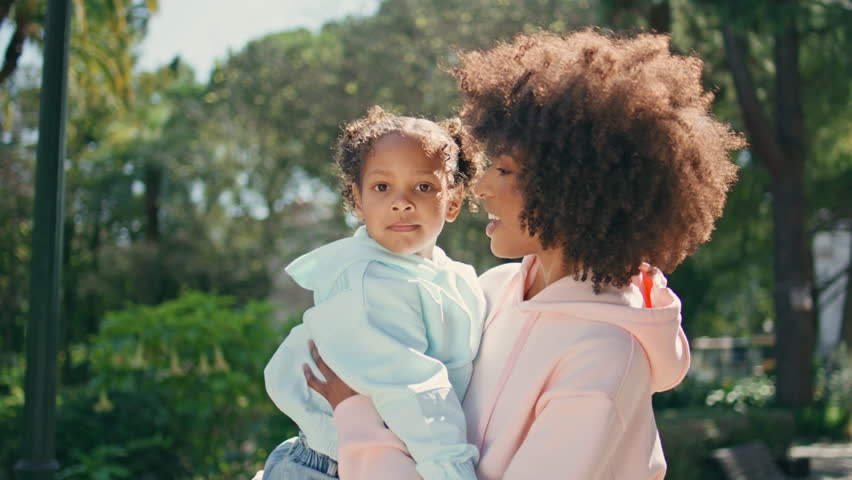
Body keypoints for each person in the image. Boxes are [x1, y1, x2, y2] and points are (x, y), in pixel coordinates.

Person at [303, 29, 745, 479]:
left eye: (505, 169)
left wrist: (355, 418)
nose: (480, 187)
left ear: (569, 185)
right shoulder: (487, 292)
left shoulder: (605, 360)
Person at [260, 107, 488, 479]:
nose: (401, 201)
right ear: (359, 200)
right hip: (328, 467)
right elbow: (412, 389)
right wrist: (454, 473)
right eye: (382, 187)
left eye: (424, 186)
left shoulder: (457, 278)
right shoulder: (368, 283)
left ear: (454, 200)